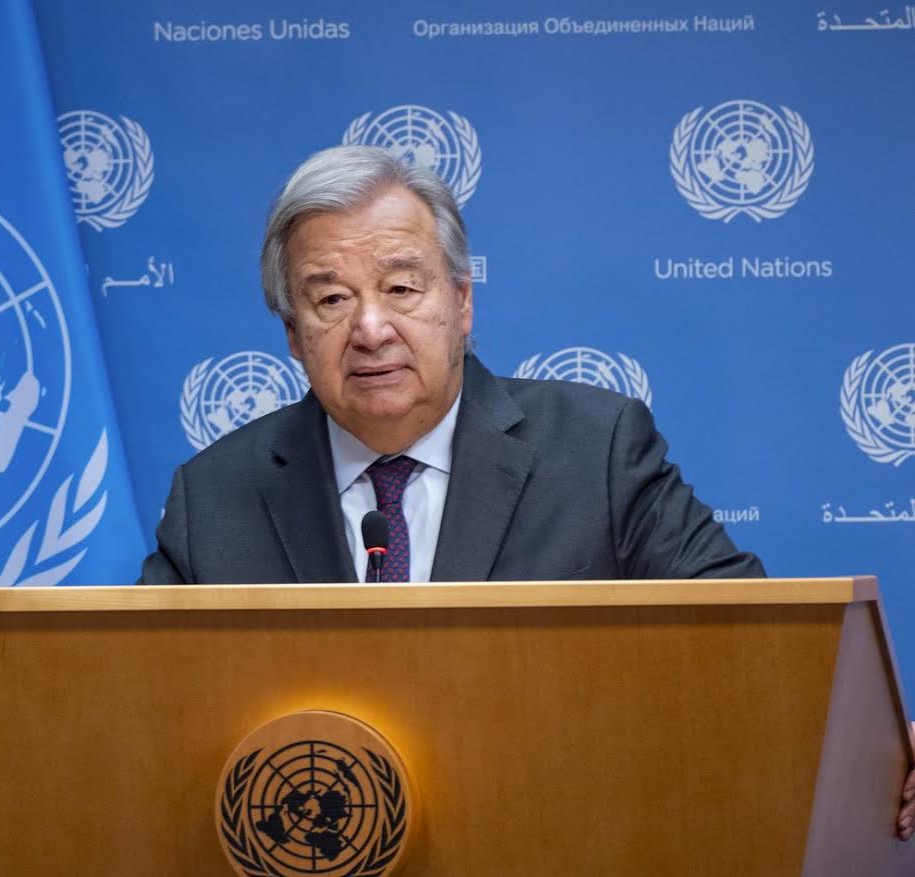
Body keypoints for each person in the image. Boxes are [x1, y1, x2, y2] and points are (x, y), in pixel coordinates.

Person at [137, 144, 915, 840]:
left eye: (401, 287)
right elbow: (143, 720)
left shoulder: (598, 451)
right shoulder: (217, 495)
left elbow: (759, 652)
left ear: (462, 303)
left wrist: (886, 751)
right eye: (331, 299)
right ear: (293, 335)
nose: (370, 327)